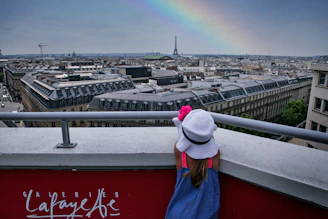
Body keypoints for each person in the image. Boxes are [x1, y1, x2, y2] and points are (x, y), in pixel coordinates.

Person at [165, 107, 220, 219]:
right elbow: (210, 140)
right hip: (207, 214)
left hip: (179, 213)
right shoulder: (215, 155)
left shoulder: (180, 153)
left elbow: (181, 140)